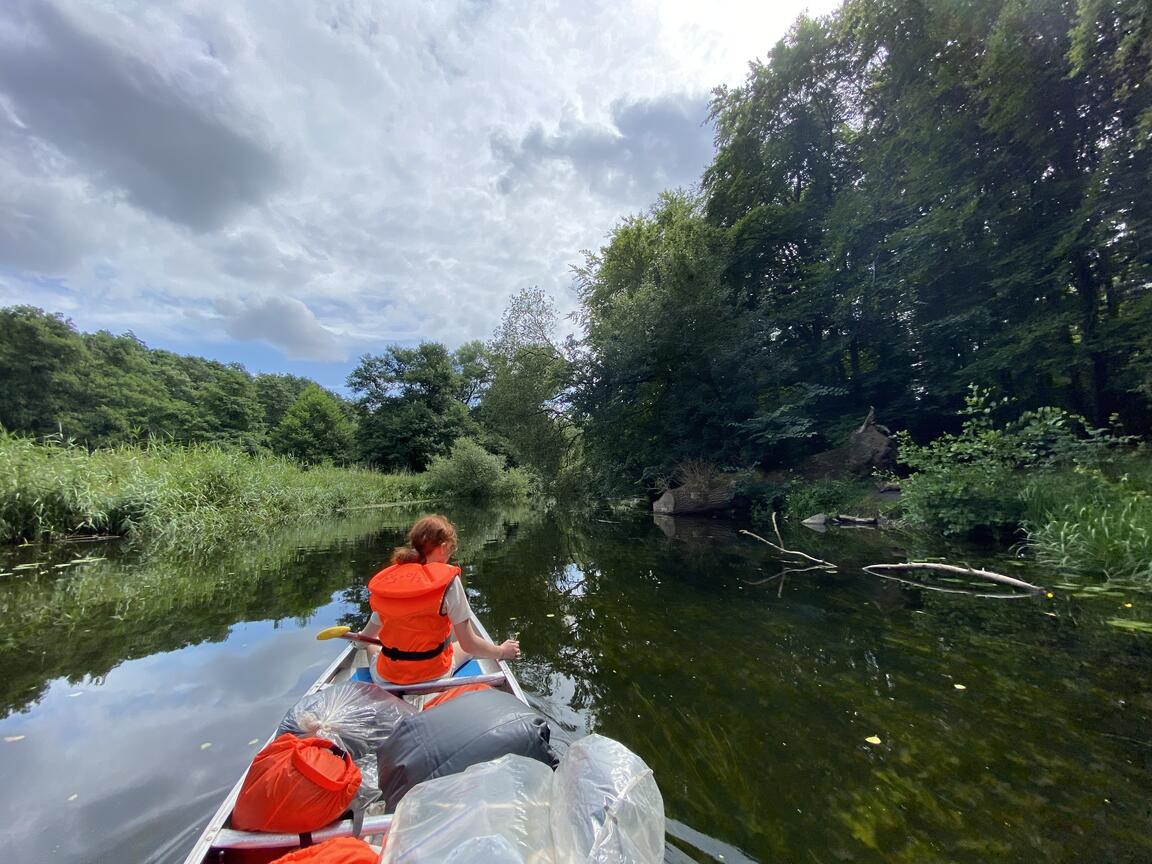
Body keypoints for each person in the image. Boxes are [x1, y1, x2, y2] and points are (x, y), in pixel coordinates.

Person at [359, 514, 520, 685]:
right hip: (434, 675)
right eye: (450, 552)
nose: (448, 559)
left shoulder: (391, 583)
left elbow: (367, 635)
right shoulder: (448, 581)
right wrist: (501, 651)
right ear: (443, 548)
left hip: (387, 678)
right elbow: (469, 645)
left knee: (369, 646)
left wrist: (360, 642)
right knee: (468, 646)